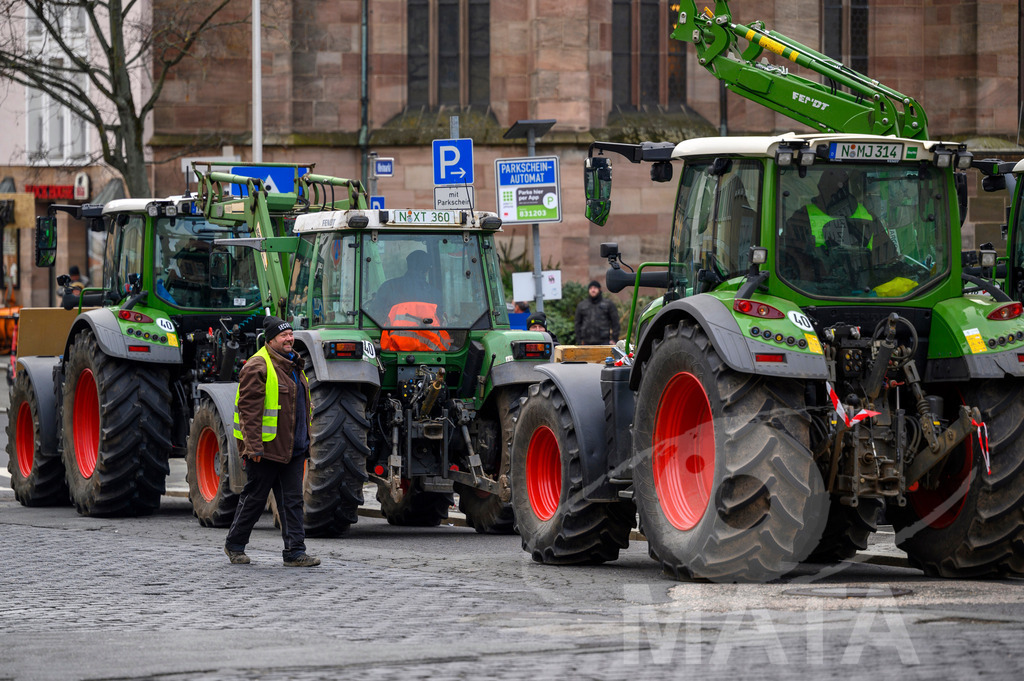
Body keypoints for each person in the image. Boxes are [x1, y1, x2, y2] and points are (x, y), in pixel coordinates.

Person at [224, 316, 319, 567]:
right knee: (254, 499)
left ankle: (295, 552)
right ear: (270, 340)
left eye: (290, 334)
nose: (289, 339)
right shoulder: (258, 366)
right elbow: (249, 412)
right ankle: (234, 545)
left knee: (292, 502)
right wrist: (253, 447)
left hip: (293, 448)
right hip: (265, 450)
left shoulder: (294, 365)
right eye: (283, 335)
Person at [574, 280, 620, 345]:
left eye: (595, 288)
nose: (593, 290)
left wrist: (614, 339)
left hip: (604, 342)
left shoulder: (608, 304)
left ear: (599, 289)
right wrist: (579, 341)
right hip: (586, 342)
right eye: (591, 288)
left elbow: (615, 323)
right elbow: (577, 324)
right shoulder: (582, 305)